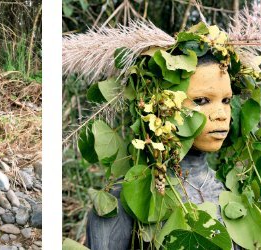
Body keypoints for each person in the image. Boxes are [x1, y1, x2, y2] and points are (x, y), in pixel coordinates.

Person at [86, 54, 240, 249]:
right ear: (161, 106)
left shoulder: (232, 189)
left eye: (226, 100)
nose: (221, 115)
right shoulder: (120, 200)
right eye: (201, 101)